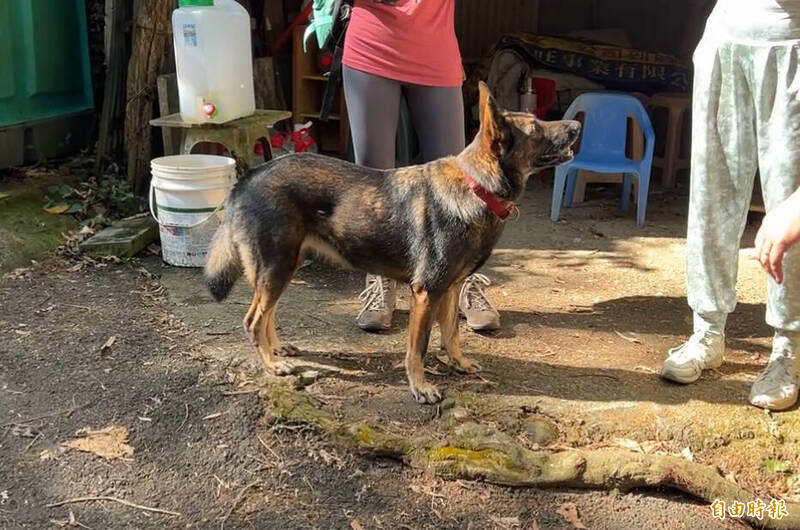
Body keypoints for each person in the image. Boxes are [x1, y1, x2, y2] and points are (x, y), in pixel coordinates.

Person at [661, 0, 800, 410]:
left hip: (792, 41)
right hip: (725, 37)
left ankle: (789, 347)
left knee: (788, 198)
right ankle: (707, 330)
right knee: (711, 197)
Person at [341, 0, 501, 332]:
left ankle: (462, 280)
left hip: (435, 49)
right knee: (374, 182)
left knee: (458, 185)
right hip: (371, 45)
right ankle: (380, 277)